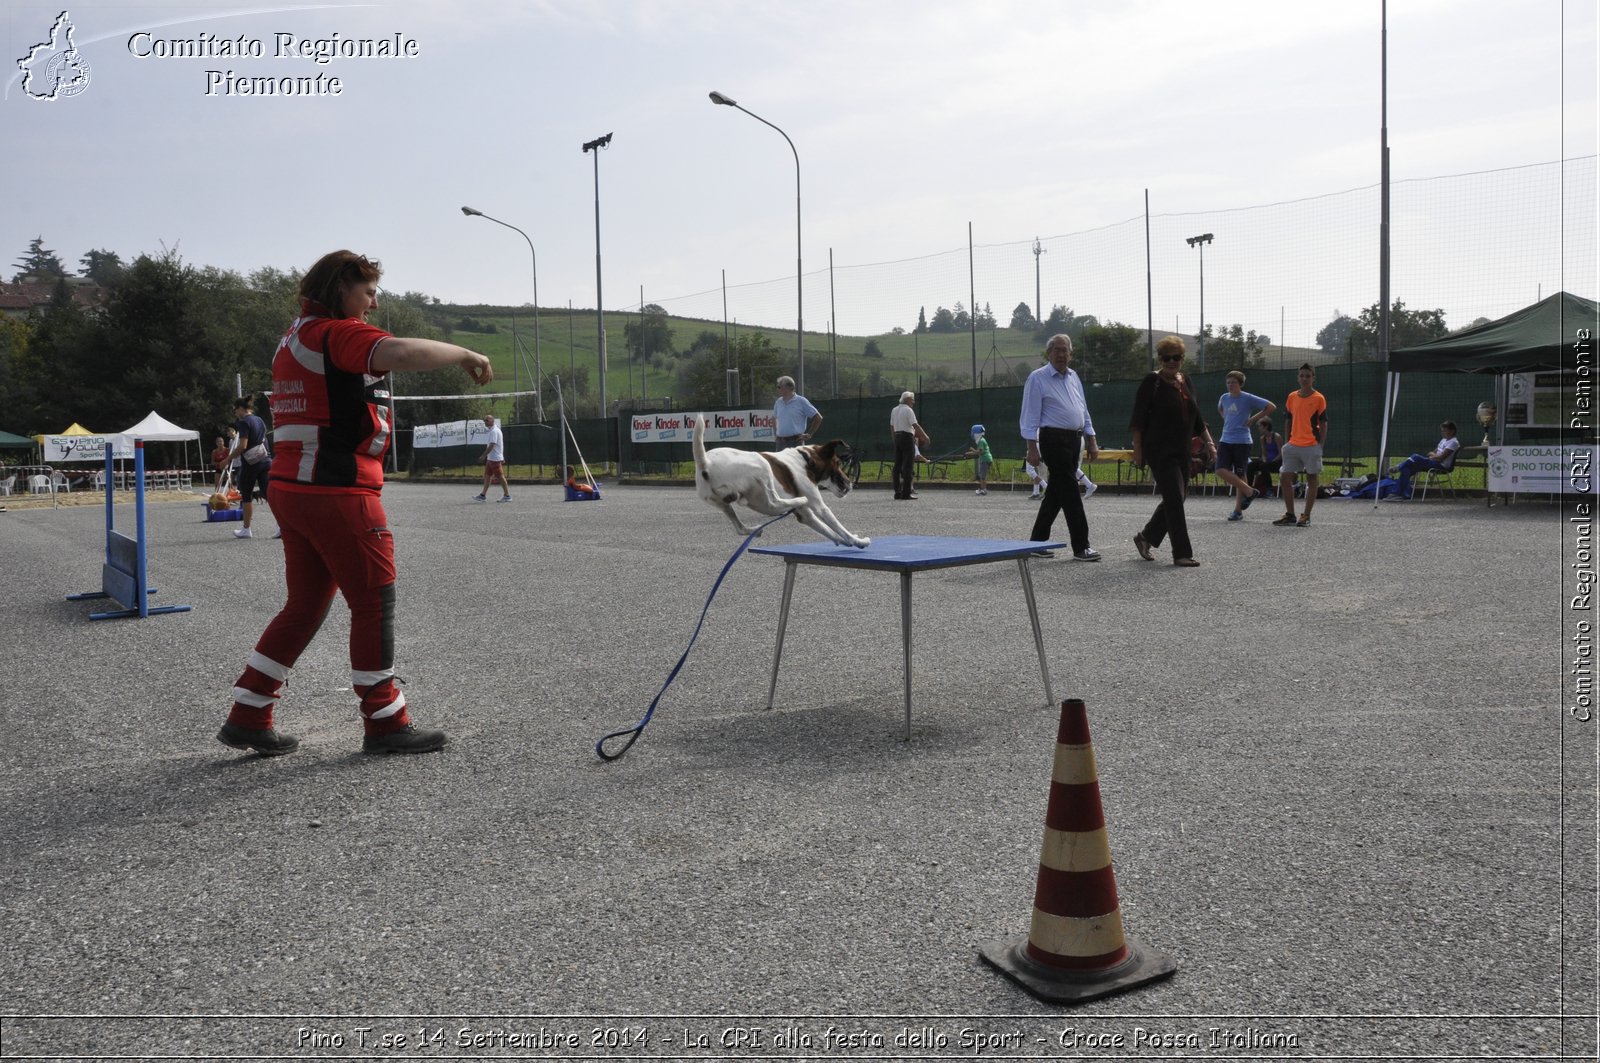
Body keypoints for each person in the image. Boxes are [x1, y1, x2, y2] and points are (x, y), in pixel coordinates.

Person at [216, 249, 494, 758]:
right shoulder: (334, 332)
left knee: (304, 606)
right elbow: (404, 354)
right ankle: (386, 720)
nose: (373, 301)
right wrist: (465, 354)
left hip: (294, 487)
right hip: (337, 490)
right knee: (372, 602)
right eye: (366, 290)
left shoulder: (295, 336)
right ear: (340, 288)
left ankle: (249, 711)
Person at [1130, 336, 1215, 567]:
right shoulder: (1152, 381)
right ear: (1160, 359)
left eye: (1175, 357)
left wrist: (1209, 443)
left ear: (1182, 359)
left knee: (1177, 497)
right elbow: (1137, 419)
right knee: (1175, 499)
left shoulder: (1185, 380)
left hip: (1183, 450)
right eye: (1166, 357)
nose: (1171, 361)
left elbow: (1197, 418)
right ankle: (1182, 553)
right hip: (1159, 450)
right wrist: (1138, 451)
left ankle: (1146, 537)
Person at [1020, 334, 1100, 560]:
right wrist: (1032, 448)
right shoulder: (1038, 378)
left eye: (1065, 350)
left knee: (1056, 491)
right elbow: (1029, 416)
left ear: (1071, 354)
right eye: (1057, 350)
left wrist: (1091, 438)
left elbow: (1083, 410)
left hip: (1074, 440)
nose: (1061, 354)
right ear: (1049, 353)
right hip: (1052, 440)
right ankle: (1081, 545)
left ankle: (1036, 543)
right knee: (1071, 490)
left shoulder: (1074, 377)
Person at [1273, 363, 1328, 528]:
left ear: (1313, 378)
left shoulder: (1319, 398)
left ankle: (1306, 515)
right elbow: (1288, 419)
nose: (1304, 379)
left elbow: (1324, 423)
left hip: (1311, 445)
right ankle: (1290, 514)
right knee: (1285, 477)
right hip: (1293, 445)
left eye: (1308, 376)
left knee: (1312, 478)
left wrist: (1320, 445)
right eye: (1302, 375)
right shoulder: (1292, 397)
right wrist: (1287, 441)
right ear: (1298, 377)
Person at [1216, 370, 1275, 521]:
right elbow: (1220, 408)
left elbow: (1270, 407)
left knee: (1241, 474)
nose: (1230, 385)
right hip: (1225, 439)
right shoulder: (1224, 397)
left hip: (1242, 441)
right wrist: (1227, 419)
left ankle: (1238, 511)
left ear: (1240, 384)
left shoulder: (1247, 398)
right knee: (1220, 469)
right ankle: (1250, 491)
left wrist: (1254, 418)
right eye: (1228, 382)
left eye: (1233, 382)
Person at [222, 397, 272, 538]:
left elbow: (243, 446)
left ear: (240, 408)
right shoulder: (259, 420)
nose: (234, 413)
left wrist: (227, 459)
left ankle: (246, 529)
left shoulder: (243, 422)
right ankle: (282, 526)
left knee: (247, 495)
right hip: (266, 459)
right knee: (269, 495)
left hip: (251, 463)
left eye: (235, 410)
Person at [1389, 421, 1461, 498]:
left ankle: (1398, 467)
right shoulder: (1443, 440)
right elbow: (1432, 453)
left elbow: (1440, 458)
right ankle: (1399, 494)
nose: (1442, 433)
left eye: (1445, 431)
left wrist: (1433, 455)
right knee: (1407, 469)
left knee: (1415, 457)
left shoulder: (1454, 442)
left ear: (1452, 431)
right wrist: (1434, 455)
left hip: (1441, 466)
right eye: (1442, 431)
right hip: (1433, 461)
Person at [890, 391, 926, 500]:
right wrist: (925, 436)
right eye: (912, 400)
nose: (913, 402)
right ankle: (906, 493)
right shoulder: (908, 410)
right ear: (907, 400)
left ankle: (897, 492)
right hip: (907, 437)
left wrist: (894, 439)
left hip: (897, 437)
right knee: (908, 466)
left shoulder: (894, 410)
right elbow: (915, 425)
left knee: (897, 465)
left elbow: (892, 427)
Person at [772, 375, 822, 449]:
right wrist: (776, 434)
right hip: (780, 443)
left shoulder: (801, 401)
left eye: (779, 387)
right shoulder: (778, 402)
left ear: (788, 387)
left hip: (796, 442)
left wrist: (809, 434)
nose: (778, 389)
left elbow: (818, 417)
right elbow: (773, 418)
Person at [474, 414, 511, 502]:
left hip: (494, 459)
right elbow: (500, 445)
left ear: (492, 421)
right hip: (491, 458)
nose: (485, 422)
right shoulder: (494, 430)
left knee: (500, 477)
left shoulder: (494, 431)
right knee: (487, 476)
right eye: (484, 420)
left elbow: (492, 445)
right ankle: (483, 495)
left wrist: (483, 455)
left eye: (487, 420)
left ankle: (507, 496)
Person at [1247, 418, 1283, 498]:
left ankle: (1270, 490)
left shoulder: (1276, 436)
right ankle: (1248, 490)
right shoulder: (1262, 438)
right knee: (1251, 465)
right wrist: (1265, 460)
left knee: (1264, 466)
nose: (1259, 428)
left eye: (1260, 426)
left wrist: (1271, 462)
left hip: (1277, 462)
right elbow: (1264, 453)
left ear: (1266, 426)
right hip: (1267, 462)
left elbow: (1281, 453)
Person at [965, 423, 994, 495]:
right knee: (982, 475)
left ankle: (983, 489)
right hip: (986, 459)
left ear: (976, 433)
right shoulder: (982, 440)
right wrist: (972, 451)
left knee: (982, 476)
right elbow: (980, 452)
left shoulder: (981, 441)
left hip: (985, 459)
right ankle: (982, 489)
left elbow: (980, 452)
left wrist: (971, 452)